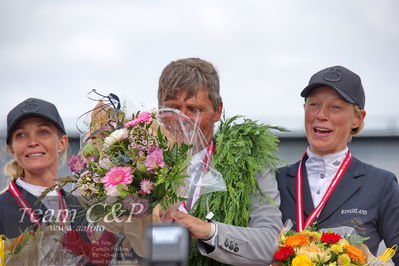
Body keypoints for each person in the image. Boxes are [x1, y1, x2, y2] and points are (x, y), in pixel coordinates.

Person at [158, 58, 282, 265]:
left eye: (194, 109)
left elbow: (271, 243)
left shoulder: (249, 164)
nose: (182, 119)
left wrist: (209, 231)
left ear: (217, 111)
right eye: (173, 109)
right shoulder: (136, 163)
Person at [276, 66, 399, 264]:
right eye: (314, 105)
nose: (321, 115)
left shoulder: (381, 184)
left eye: (335, 107)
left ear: (357, 118)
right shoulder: (274, 181)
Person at [0, 98, 116, 265]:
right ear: (12, 148)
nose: (32, 142)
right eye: (21, 135)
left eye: (43, 132)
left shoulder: (82, 208)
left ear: (62, 142)